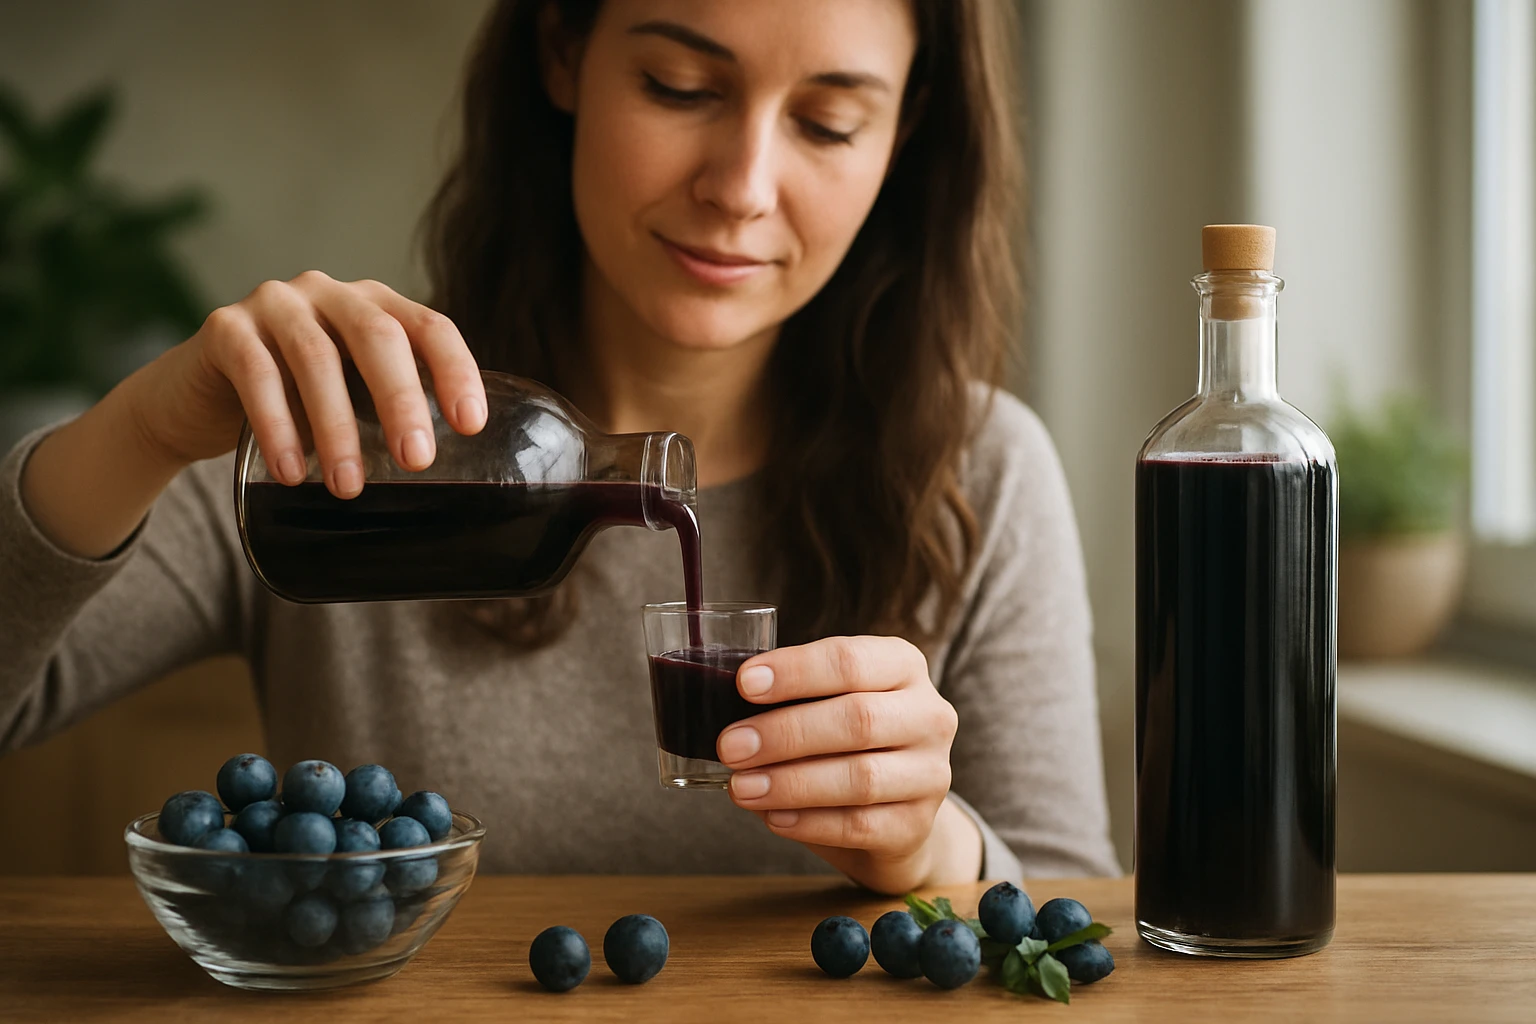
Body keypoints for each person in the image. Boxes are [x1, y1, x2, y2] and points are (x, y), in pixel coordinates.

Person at [0, 0, 1117, 893]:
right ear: (564, 50)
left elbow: (1075, 917)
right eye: (680, 87)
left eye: (828, 122)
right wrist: (143, 428)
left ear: (905, 135)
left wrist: (933, 853)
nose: (741, 188)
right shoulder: (356, 437)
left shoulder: (979, 473)